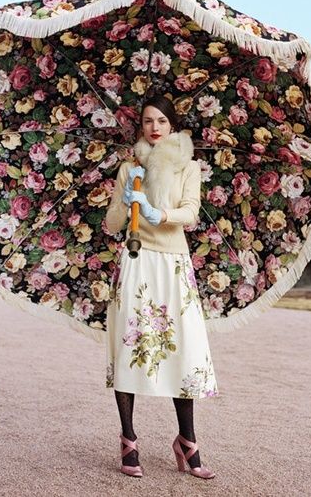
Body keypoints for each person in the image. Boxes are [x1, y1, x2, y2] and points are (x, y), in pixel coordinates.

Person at [105, 95, 218, 479]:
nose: (154, 127)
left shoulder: (189, 166)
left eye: (162, 121)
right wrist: (126, 202)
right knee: (130, 347)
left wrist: (158, 212)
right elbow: (112, 225)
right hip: (137, 263)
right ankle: (128, 440)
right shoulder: (129, 168)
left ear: (172, 126)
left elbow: (190, 210)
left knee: (183, 349)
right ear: (141, 126)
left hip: (172, 263)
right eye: (148, 121)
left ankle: (187, 440)